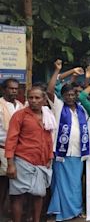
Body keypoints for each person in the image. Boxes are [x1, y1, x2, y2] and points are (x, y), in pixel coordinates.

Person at [5, 85, 56, 222]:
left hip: (41, 161)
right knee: (18, 196)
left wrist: (49, 157)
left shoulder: (48, 116)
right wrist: (10, 164)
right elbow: (11, 140)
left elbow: (49, 139)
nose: (33, 100)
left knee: (38, 195)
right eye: (31, 97)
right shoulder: (19, 116)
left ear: (44, 100)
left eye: (37, 98)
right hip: (22, 160)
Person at [46, 59, 89, 221]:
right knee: (61, 185)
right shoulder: (58, 106)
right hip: (62, 154)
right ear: (62, 96)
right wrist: (58, 70)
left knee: (75, 184)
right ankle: (61, 212)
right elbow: (50, 90)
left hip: (79, 153)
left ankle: (75, 210)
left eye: (73, 94)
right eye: (67, 95)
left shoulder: (82, 109)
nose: (70, 97)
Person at [0, 78, 24, 216]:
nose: (14, 91)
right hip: (2, 149)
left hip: (19, 152)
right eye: (11, 88)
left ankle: (10, 213)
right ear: (4, 89)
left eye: (16, 88)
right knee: (2, 183)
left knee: (15, 185)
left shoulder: (21, 106)